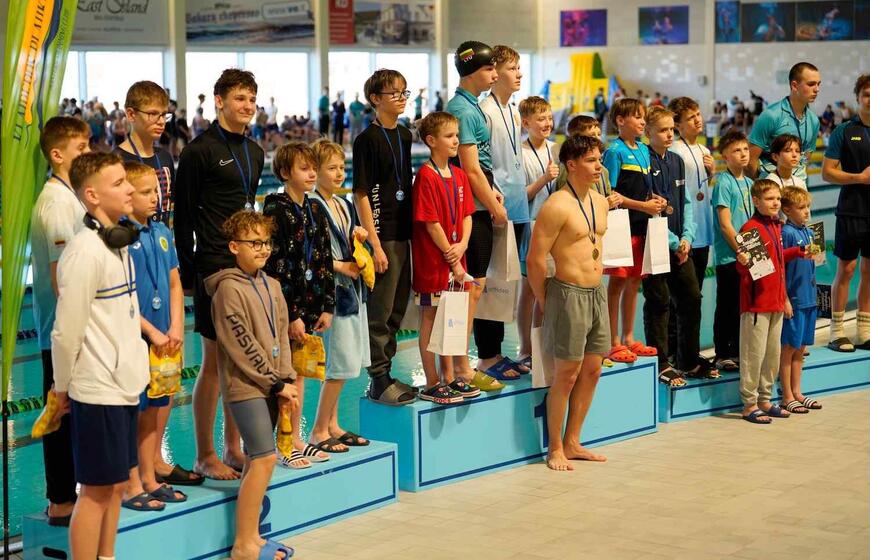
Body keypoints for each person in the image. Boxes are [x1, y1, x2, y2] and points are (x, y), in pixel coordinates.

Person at [51, 152, 150, 559]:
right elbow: (65, 333)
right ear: (91, 195)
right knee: (94, 491)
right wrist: (61, 388)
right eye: (118, 183)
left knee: (116, 485)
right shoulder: (85, 253)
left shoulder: (117, 244)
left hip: (123, 384)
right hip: (98, 389)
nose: (129, 189)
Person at [174, 68, 265, 480]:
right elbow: (183, 218)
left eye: (252, 99)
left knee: (240, 361)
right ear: (219, 101)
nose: (247, 106)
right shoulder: (199, 152)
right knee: (213, 362)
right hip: (213, 265)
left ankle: (232, 447)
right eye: (239, 98)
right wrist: (188, 273)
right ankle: (204, 454)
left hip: (247, 266)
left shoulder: (255, 151)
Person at [206, 210, 296, 560]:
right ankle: (243, 545)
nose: (263, 249)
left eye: (266, 242)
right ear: (234, 247)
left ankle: (253, 537)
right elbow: (240, 344)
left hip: (273, 384)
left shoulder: (272, 285)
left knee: (259, 459)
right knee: (263, 458)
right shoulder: (227, 290)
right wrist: (274, 383)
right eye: (254, 243)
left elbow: (283, 335)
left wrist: (286, 378)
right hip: (245, 386)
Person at [527, 135, 610, 470]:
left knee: (592, 370)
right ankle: (555, 447)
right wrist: (545, 299)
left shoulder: (600, 202)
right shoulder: (556, 205)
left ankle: (574, 441)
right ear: (571, 165)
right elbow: (535, 259)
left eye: (599, 159)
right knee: (567, 374)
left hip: (597, 292)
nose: (598, 166)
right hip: (567, 293)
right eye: (591, 160)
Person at [122, 162, 194, 512]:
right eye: (146, 192)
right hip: (137, 337)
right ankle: (131, 483)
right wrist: (151, 331)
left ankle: (149, 477)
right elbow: (122, 294)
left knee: (155, 408)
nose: (155, 197)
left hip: (165, 339)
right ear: (127, 195)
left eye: (156, 191)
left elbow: (175, 284)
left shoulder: (162, 231)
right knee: (135, 412)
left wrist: (177, 326)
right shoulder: (121, 236)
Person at [30, 117, 91, 528]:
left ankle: (72, 495)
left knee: (71, 413)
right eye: (81, 148)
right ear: (57, 155)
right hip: (61, 330)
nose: (88, 153)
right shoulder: (55, 203)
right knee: (60, 414)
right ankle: (61, 501)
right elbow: (60, 276)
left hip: (71, 327)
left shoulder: (71, 196)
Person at [263, 142, 334, 463]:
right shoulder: (274, 210)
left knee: (300, 374)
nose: (312, 174)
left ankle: (295, 438)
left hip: (309, 308)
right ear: (284, 173)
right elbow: (274, 267)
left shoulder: (315, 208)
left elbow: (325, 260)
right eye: (304, 168)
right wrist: (291, 315)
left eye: (314, 168)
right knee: (285, 376)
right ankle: (282, 443)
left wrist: (327, 306)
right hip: (284, 311)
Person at [446, 41, 511, 391]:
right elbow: (470, 169)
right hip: (471, 207)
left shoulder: (468, 106)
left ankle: (459, 364)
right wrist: (494, 205)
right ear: (472, 72)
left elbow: (480, 166)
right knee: (469, 288)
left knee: (473, 286)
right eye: (489, 69)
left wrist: (492, 191)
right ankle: (461, 367)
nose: (495, 75)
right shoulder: (464, 110)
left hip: (478, 200)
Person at [352, 69, 420, 405]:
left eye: (404, 92)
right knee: (380, 310)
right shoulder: (367, 140)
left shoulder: (404, 135)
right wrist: (375, 244)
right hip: (383, 235)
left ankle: (387, 373)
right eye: (394, 93)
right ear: (375, 99)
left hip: (404, 232)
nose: (402, 98)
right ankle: (378, 378)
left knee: (396, 309)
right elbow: (361, 193)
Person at [642, 107, 717, 386]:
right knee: (659, 302)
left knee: (691, 297)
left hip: (679, 244)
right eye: (663, 130)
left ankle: (688, 359)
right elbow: (651, 208)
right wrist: (676, 242)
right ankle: (661, 362)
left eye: (671, 129)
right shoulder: (644, 160)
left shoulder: (676, 160)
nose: (669, 135)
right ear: (648, 132)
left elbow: (686, 202)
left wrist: (687, 238)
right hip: (655, 242)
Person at [308, 140, 373, 449]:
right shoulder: (312, 205)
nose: (339, 173)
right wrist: (340, 266)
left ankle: (332, 424)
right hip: (332, 292)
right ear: (315, 171)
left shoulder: (343, 204)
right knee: (339, 362)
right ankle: (319, 430)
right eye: (331, 168)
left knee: (344, 363)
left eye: (342, 167)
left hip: (352, 290)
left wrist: (358, 236)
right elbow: (311, 255)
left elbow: (349, 244)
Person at [411, 112, 479, 403]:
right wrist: (452, 255)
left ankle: (449, 377)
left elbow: (467, 216)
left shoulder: (460, 175)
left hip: (456, 257)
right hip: (434, 261)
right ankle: (432, 381)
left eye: (456, 135)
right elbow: (430, 222)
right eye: (449, 136)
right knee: (431, 317)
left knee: (451, 316)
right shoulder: (426, 176)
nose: (456, 141)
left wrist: (462, 245)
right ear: (431, 140)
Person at [736, 179, 807, 424]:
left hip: (776, 302)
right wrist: (742, 262)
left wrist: (797, 252)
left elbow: (775, 260)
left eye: (777, 198)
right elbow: (746, 270)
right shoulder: (750, 228)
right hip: (756, 305)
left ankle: (765, 400)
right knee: (753, 355)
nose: (775, 203)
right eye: (769, 199)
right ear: (756, 201)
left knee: (771, 355)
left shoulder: (776, 225)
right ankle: (749, 404)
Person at [478, 44, 529, 379]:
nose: (519, 74)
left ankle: (497, 352)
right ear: (495, 73)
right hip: (495, 207)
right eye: (512, 68)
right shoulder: (485, 111)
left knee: (507, 283)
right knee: (491, 283)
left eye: (519, 67)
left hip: (517, 205)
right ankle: (486, 355)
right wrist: (495, 204)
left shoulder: (513, 111)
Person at [602, 98, 664, 363]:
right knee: (617, 283)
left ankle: (629, 337)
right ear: (620, 121)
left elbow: (645, 188)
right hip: (621, 227)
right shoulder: (614, 152)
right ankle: (613, 341)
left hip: (642, 225)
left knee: (635, 281)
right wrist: (643, 205)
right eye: (637, 116)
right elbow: (611, 194)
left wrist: (657, 201)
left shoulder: (643, 150)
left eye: (643, 116)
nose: (642, 121)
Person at [822, 73, 870, 352]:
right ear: (858, 98)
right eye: (867, 95)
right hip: (852, 211)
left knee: (869, 270)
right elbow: (827, 173)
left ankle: (864, 331)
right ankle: (836, 331)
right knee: (847, 269)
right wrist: (860, 178)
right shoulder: (844, 131)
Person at [518, 96, 558, 368]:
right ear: (526, 123)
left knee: (551, 291)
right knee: (530, 291)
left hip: (557, 229)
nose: (547, 123)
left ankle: (544, 346)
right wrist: (544, 179)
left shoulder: (556, 149)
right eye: (541, 119)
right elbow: (519, 197)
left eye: (549, 118)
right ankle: (526, 348)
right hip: (532, 228)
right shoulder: (520, 154)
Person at [712, 130, 753, 372]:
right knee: (727, 305)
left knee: (743, 306)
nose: (743, 154)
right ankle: (722, 353)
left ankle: (738, 350)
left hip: (747, 255)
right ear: (725, 156)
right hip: (730, 256)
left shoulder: (750, 183)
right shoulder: (723, 183)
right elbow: (725, 224)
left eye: (745, 149)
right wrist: (740, 249)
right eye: (736, 150)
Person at [779, 187, 822, 413]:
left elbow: (814, 264)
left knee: (801, 348)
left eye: (808, 207)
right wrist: (785, 298)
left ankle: (797, 392)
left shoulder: (808, 231)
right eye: (801, 207)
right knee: (788, 348)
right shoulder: (786, 233)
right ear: (787, 210)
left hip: (809, 299)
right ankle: (786, 396)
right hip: (794, 300)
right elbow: (781, 270)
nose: (807, 211)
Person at [669, 97, 716, 292]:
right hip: (684, 231)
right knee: (684, 294)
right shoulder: (674, 150)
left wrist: (712, 172)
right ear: (677, 125)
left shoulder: (704, 150)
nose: (698, 120)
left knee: (698, 290)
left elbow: (702, 186)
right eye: (690, 118)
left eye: (698, 114)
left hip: (703, 226)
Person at [115, 81, 176, 225]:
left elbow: (171, 205)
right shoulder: (116, 161)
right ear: (131, 114)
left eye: (164, 115)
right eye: (153, 114)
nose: (161, 122)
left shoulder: (165, 157)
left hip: (164, 236)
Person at [749, 62, 821, 181]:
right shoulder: (771, 116)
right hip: (770, 188)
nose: (817, 89)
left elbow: (805, 159)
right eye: (811, 84)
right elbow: (750, 161)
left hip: (798, 188)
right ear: (794, 86)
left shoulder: (814, 121)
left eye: (818, 84)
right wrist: (764, 186)